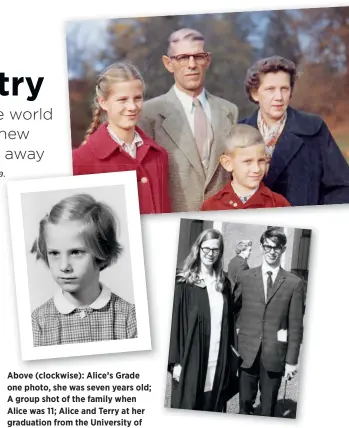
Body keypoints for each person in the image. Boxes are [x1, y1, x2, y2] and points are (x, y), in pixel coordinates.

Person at [138, 28, 238, 212]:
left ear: (207, 60)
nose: (191, 64)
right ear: (168, 64)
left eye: (198, 56)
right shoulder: (148, 114)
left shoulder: (230, 111)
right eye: (183, 57)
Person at [240, 55, 349, 206]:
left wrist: (316, 218)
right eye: (270, 89)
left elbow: (342, 187)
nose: (279, 97)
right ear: (255, 93)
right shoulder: (239, 133)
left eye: (284, 89)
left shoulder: (313, 128)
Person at [31, 194, 137, 347]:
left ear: (101, 254)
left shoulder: (128, 317)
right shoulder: (38, 322)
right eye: (54, 253)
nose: (63, 266)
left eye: (76, 252)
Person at [72, 62, 171, 215]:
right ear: (103, 102)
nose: (132, 107)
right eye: (122, 100)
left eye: (137, 98)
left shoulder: (159, 155)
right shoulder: (80, 161)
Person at [233, 227, 304, 417]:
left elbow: (296, 326)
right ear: (262, 247)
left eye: (277, 248)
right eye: (268, 247)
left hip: (274, 355)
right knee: (244, 404)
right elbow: (232, 311)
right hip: (247, 354)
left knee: (268, 408)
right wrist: (233, 344)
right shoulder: (245, 277)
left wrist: (291, 361)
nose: (271, 251)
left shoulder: (294, 283)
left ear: (283, 249)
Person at [168, 229, 237, 411]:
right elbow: (175, 324)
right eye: (206, 248)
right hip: (192, 357)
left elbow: (229, 322)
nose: (210, 254)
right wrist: (175, 362)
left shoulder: (224, 283)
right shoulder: (185, 283)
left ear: (220, 252)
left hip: (217, 356)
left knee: (212, 403)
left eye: (215, 249)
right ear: (198, 249)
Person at [200, 124, 290, 210]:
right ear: (227, 163)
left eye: (261, 160)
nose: (257, 169)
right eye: (248, 161)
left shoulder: (279, 204)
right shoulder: (211, 206)